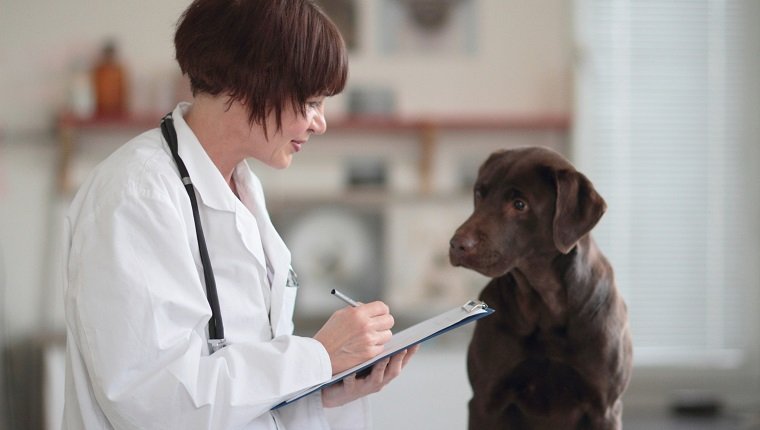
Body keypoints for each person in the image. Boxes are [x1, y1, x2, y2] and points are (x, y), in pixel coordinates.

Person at [62, 1, 417, 428]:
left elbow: (244, 377)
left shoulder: (243, 188)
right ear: (251, 81)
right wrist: (317, 356)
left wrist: (326, 385)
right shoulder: (136, 195)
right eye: (310, 101)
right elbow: (155, 400)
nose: (320, 122)